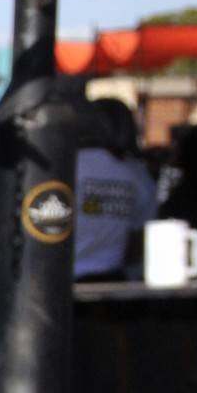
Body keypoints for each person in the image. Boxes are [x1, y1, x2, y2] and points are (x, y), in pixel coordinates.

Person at [75, 98, 157, 281]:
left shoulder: (68, 165)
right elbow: (140, 238)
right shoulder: (136, 173)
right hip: (113, 279)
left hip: (62, 279)